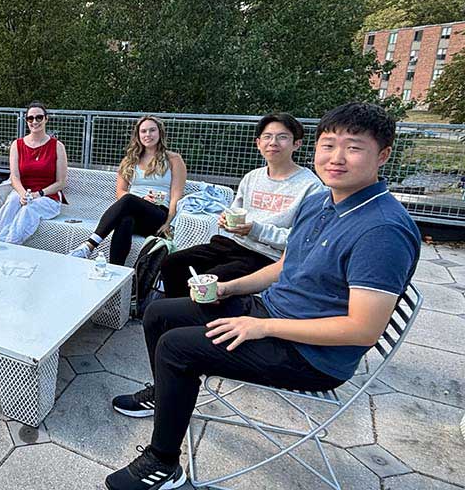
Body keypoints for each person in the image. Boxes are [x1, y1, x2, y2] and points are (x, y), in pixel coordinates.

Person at [104, 102, 420, 490]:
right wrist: (227, 288)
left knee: (175, 348)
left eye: (353, 148)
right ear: (315, 148)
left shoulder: (382, 230)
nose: (336, 158)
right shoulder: (323, 201)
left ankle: (162, 463)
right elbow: (287, 265)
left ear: (382, 155)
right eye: (328, 145)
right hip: (274, 312)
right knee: (160, 314)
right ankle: (165, 393)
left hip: (309, 353)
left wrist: (260, 326)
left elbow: (362, 329)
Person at [160, 113, 324, 298]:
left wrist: (256, 230)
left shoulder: (311, 187)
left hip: (267, 257)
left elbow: (302, 241)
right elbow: (235, 211)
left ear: (297, 144)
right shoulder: (252, 177)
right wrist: (225, 220)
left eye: (282, 137)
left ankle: (198, 316)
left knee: (213, 281)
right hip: (233, 244)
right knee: (173, 263)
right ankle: (177, 313)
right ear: (258, 143)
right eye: (267, 137)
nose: (273, 142)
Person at [71, 115, 186, 266]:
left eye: (152, 130)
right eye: (143, 131)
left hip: (158, 215)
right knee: (125, 220)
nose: (148, 135)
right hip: (134, 212)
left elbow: (176, 196)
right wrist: (139, 201)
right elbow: (120, 191)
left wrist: (168, 223)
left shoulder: (173, 159)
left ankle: (89, 245)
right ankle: (116, 272)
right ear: (138, 135)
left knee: (129, 199)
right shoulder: (130, 160)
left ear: (160, 133)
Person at [0, 102, 68, 244]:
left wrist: (38, 194)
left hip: (47, 196)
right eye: (30, 118)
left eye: (39, 117)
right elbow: (14, 177)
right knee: (12, 201)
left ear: (46, 119)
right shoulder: (17, 145)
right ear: (26, 121)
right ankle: (0, 241)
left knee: (29, 209)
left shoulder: (57, 146)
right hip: (23, 192)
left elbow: (61, 182)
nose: (35, 122)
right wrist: (23, 194)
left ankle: (11, 245)